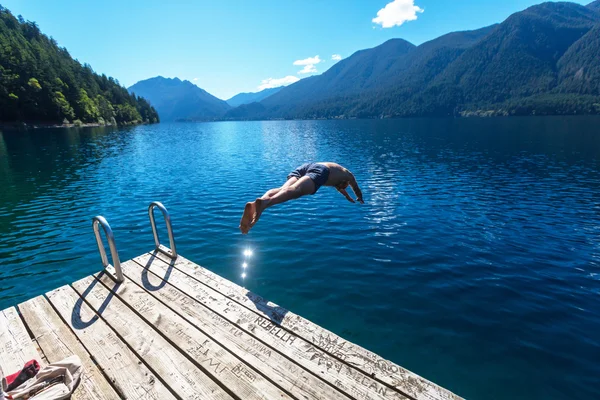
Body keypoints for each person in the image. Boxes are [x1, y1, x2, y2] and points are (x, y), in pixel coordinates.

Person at [239, 162, 364, 234]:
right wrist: (360, 197)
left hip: (307, 166)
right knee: (296, 191)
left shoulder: (338, 175)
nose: (343, 187)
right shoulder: (348, 175)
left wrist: (349, 197)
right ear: (345, 182)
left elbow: (342, 190)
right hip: (321, 171)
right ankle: (265, 204)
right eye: (344, 186)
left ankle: (260, 201)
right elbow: (356, 187)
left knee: (283, 190)